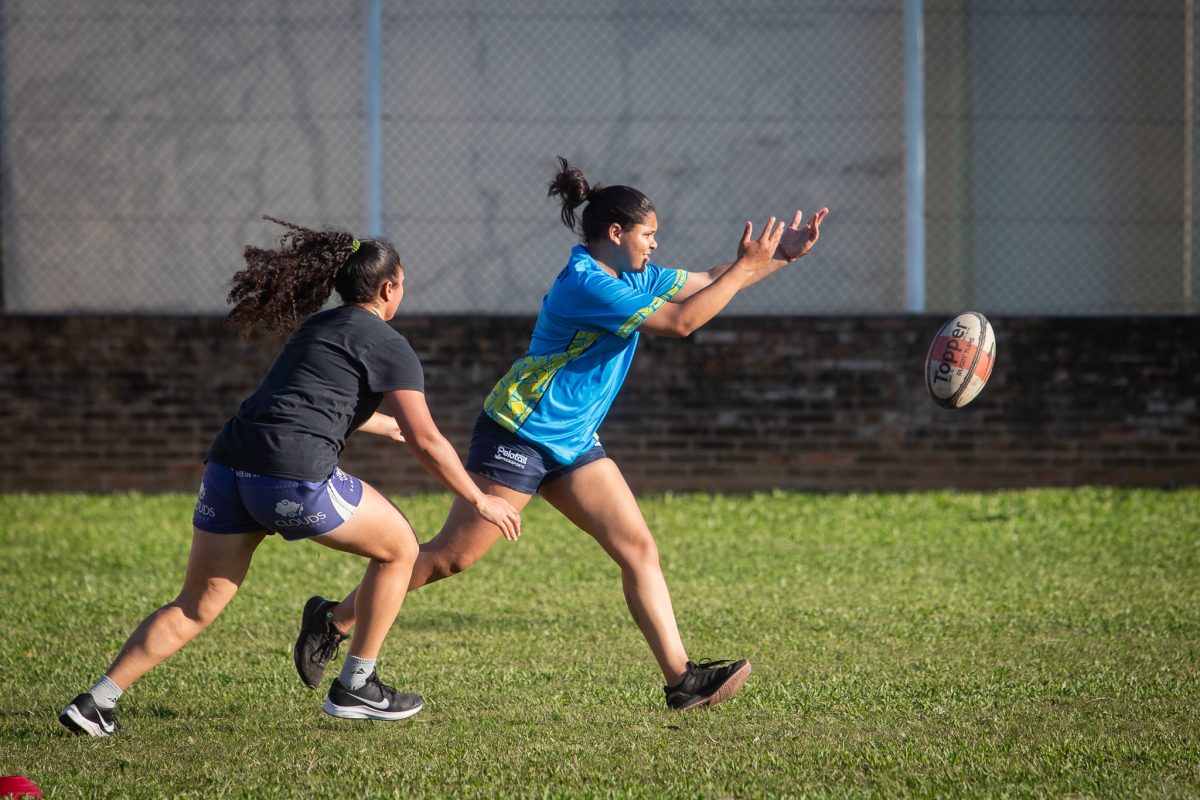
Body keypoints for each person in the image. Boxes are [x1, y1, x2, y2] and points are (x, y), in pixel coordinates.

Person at [293, 159, 828, 710]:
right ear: (616, 234)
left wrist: (778, 258)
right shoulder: (587, 283)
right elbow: (682, 322)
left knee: (638, 547)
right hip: (520, 432)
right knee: (449, 559)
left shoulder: (633, 274)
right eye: (649, 233)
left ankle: (681, 680)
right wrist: (748, 268)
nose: (655, 243)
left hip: (573, 442)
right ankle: (332, 619)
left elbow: (709, 281)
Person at [58, 217, 522, 736]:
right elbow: (429, 442)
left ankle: (97, 702)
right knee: (401, 549)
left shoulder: (317, 329)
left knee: (194, 605)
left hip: (229, 467)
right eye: (402, 285)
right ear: (390, 288)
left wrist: (384, 425)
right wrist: (480, 500)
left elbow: (307, 399)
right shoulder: (389, 344)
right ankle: (356, 687)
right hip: (290, 477)